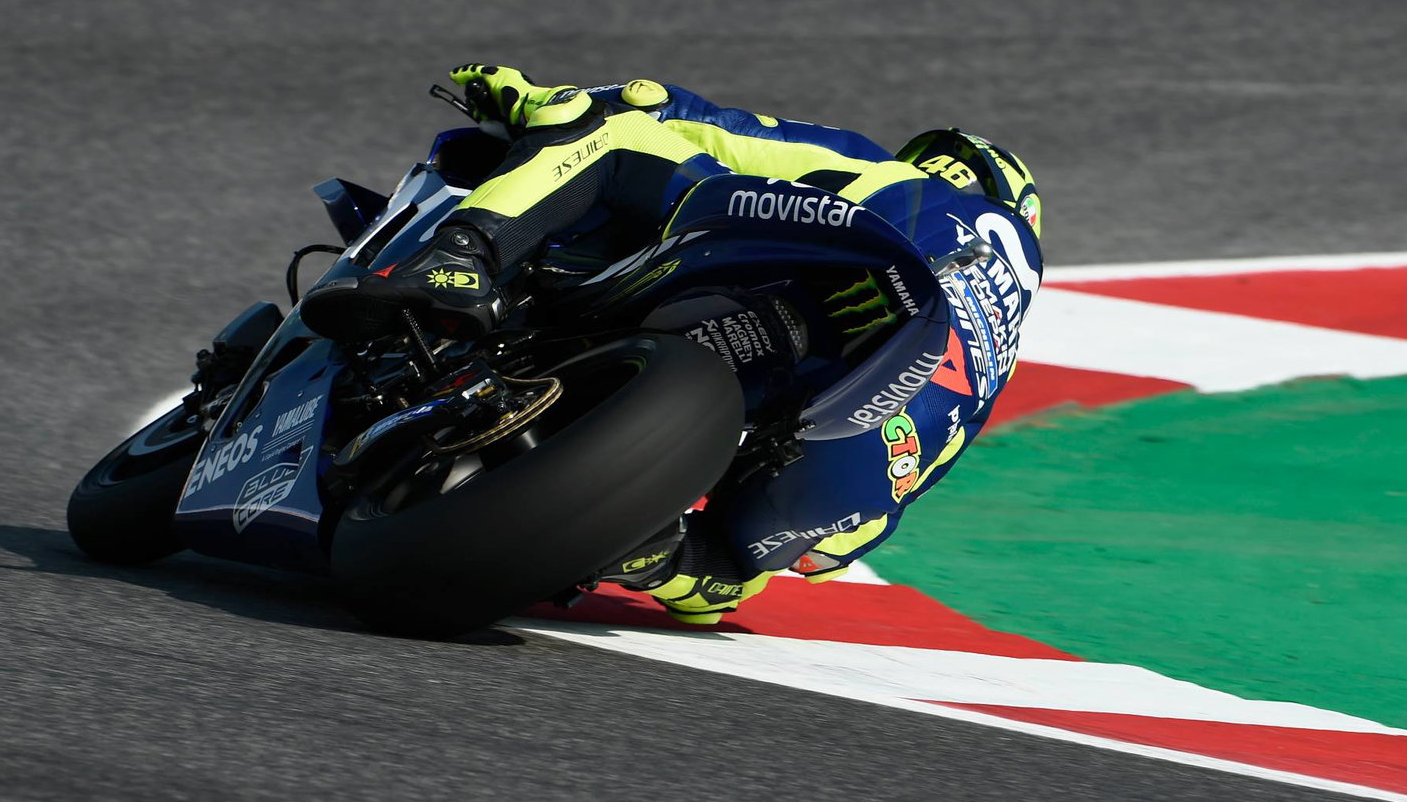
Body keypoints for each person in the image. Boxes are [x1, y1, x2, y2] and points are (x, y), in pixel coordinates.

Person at [302, 65, 1042, 624]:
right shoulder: (998, 356)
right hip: (871, 450)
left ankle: (459, 260)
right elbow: (839, 545)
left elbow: (688, 117)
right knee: (731, 575)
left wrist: (536, 101)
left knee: (610, 134)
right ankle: (663, 557)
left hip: (811, 293)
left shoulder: (908, 183)